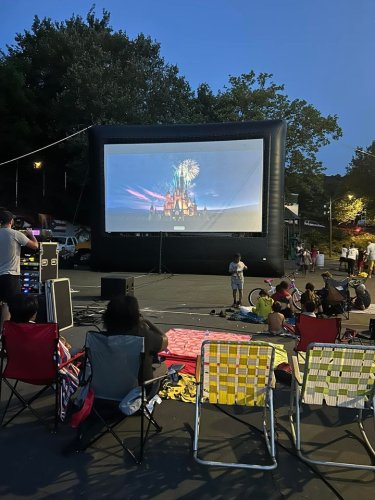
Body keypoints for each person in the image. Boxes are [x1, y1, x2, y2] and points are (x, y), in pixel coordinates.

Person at [7, 293, 79, 421]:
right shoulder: (44, 332)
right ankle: (78, 402)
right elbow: (65, 357)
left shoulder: (8, 330)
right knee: (77, 355)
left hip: (17, 370)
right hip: (46, 374)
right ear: (34, 313)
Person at [102, 295, 168, 386]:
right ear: (135, 315)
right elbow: (165, 340)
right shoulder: (144, 336)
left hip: (105, 388)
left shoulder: (100, 338)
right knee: (163, 366)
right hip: (136, 390)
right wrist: (147, 322)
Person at [0, 209, 38, 329]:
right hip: (10, 276)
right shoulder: (15, 234)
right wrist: (31, 235)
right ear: (11, 221)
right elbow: (35, 246)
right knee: (8, 305)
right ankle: (5, 334)